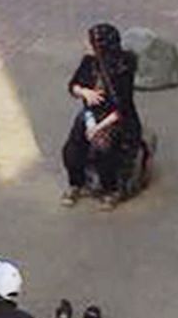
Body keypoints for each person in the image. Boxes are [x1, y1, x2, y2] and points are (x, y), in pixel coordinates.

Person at [60, 23, 142, 211]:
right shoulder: (89, 62)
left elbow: (122, 108)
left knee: (104, 149)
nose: (85, 45)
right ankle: (76, 183)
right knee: (73, 148)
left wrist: (98, 127)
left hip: (113, 118)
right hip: (91, 113)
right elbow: (73, 84)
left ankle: (111, 189)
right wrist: (83, 92)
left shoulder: (122, 69)